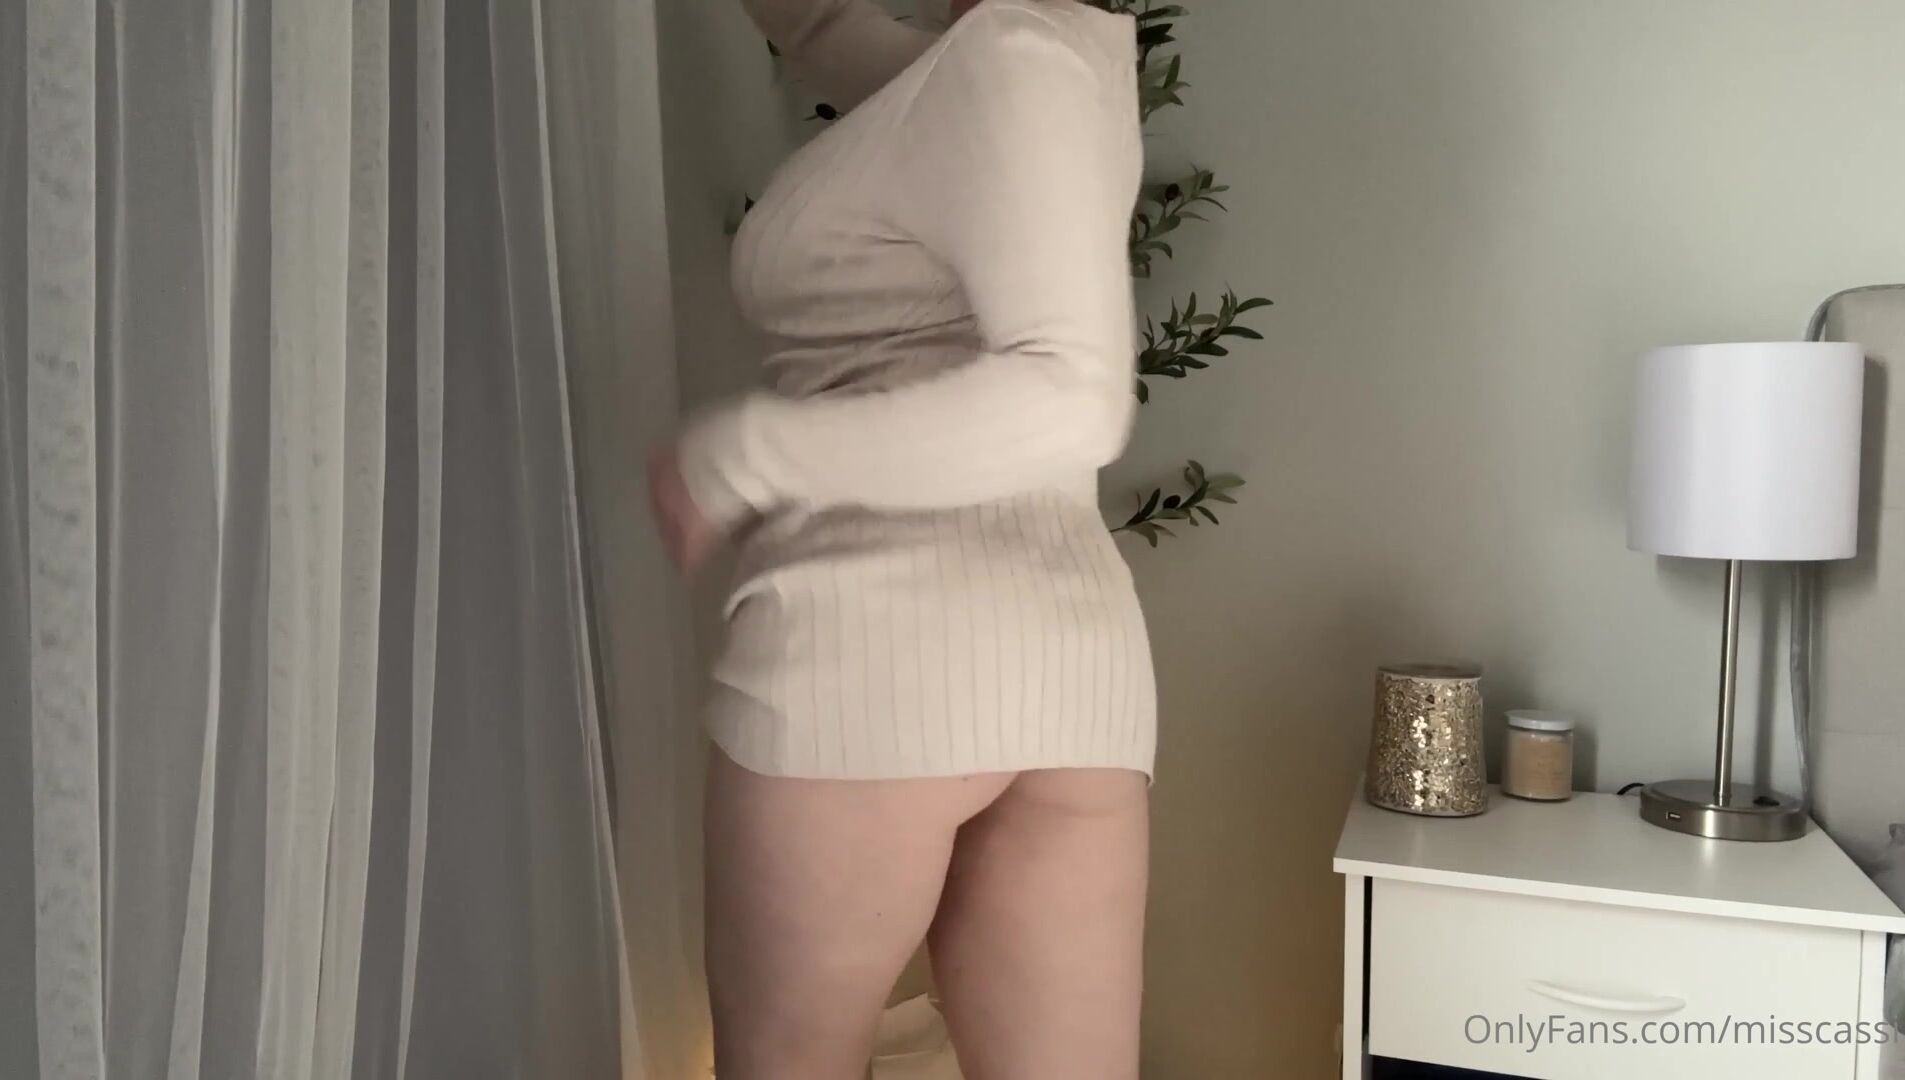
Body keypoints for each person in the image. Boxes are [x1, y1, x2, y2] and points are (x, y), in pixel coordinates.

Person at [646, 0, 1155, 1075]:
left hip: (867, 648)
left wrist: (741, 456)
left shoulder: (1019, 54)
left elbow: (1071, 397)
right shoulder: (1025, 63)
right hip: (1067, 670)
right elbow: (834, 35)